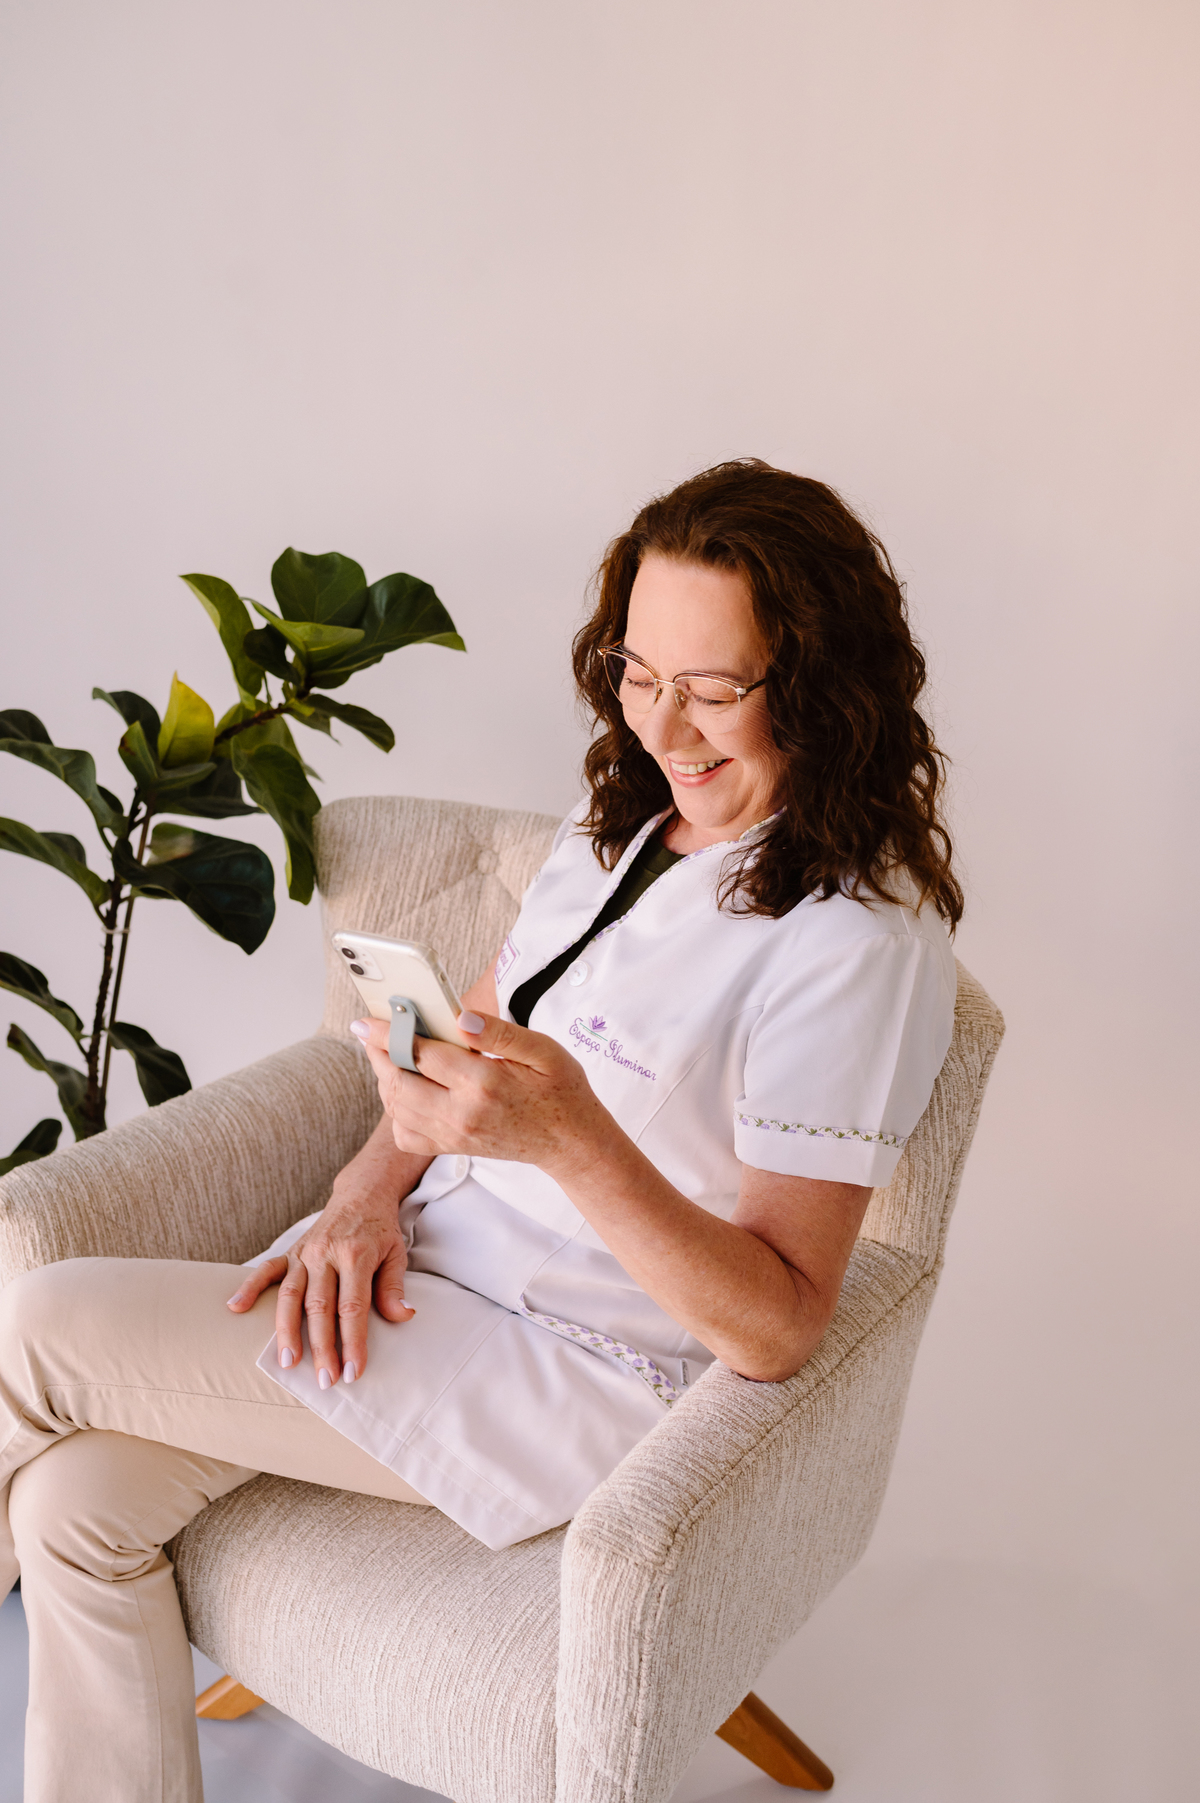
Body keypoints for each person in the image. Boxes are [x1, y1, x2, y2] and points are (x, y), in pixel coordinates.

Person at [0, 459, 962, 1802]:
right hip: (423, 1272)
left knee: (37, 1318)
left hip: (570, 1374)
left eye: (715, 687)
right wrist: (364, 1188)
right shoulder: (629, 817)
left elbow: (784, 1322)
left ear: (820, 682)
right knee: (70, 1508)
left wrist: (571, 1140)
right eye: (638, 670)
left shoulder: (856, 941)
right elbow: (482, 1018)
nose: (664, 726)